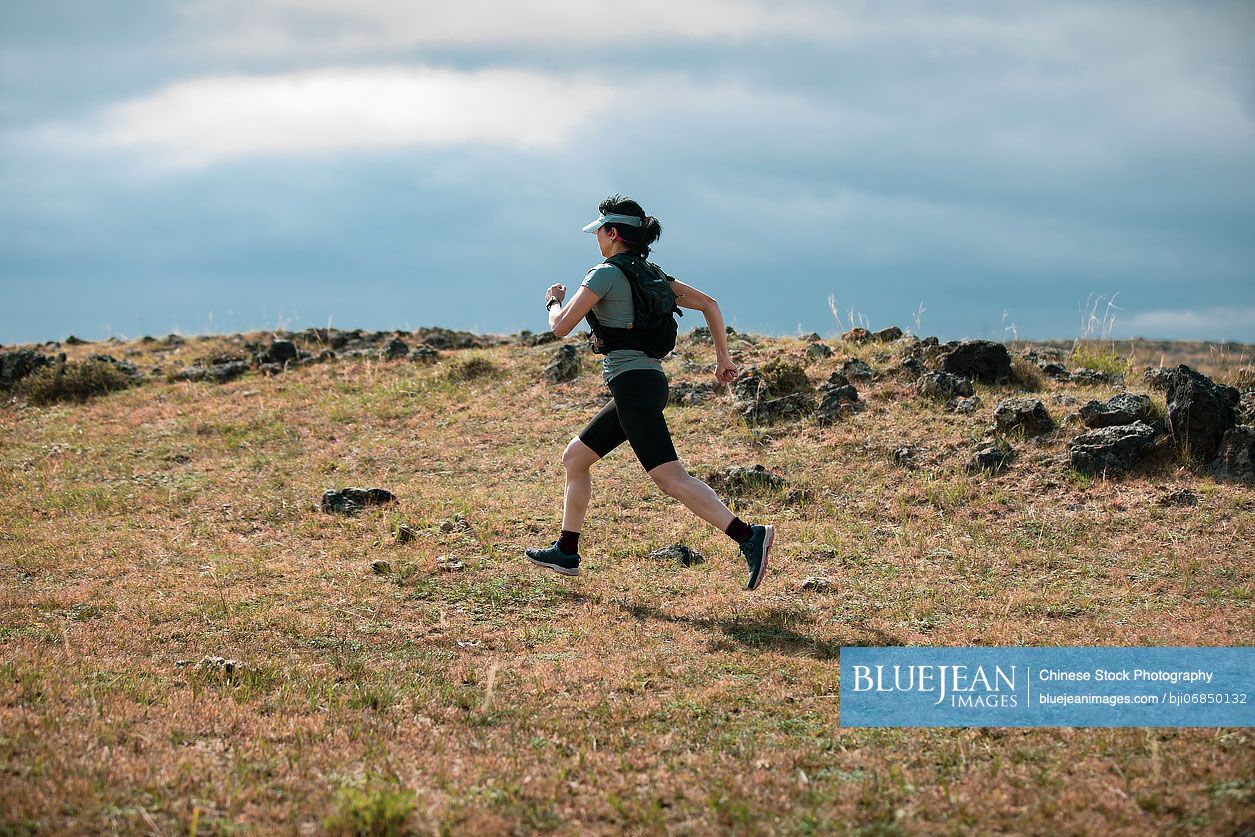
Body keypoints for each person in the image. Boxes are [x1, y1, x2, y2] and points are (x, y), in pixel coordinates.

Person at [524, 195, 775, 590]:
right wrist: (722, 358)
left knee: (671, 479)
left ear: (612, 233)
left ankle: (749, 536)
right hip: (647, 383)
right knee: (575, 457)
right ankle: (566, 552)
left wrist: (553, 301)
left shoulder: (603, 274)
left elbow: (561, 327)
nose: (597, 239)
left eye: (600, 232)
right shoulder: (654, 275)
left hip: (632, 387)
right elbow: (709, 304)